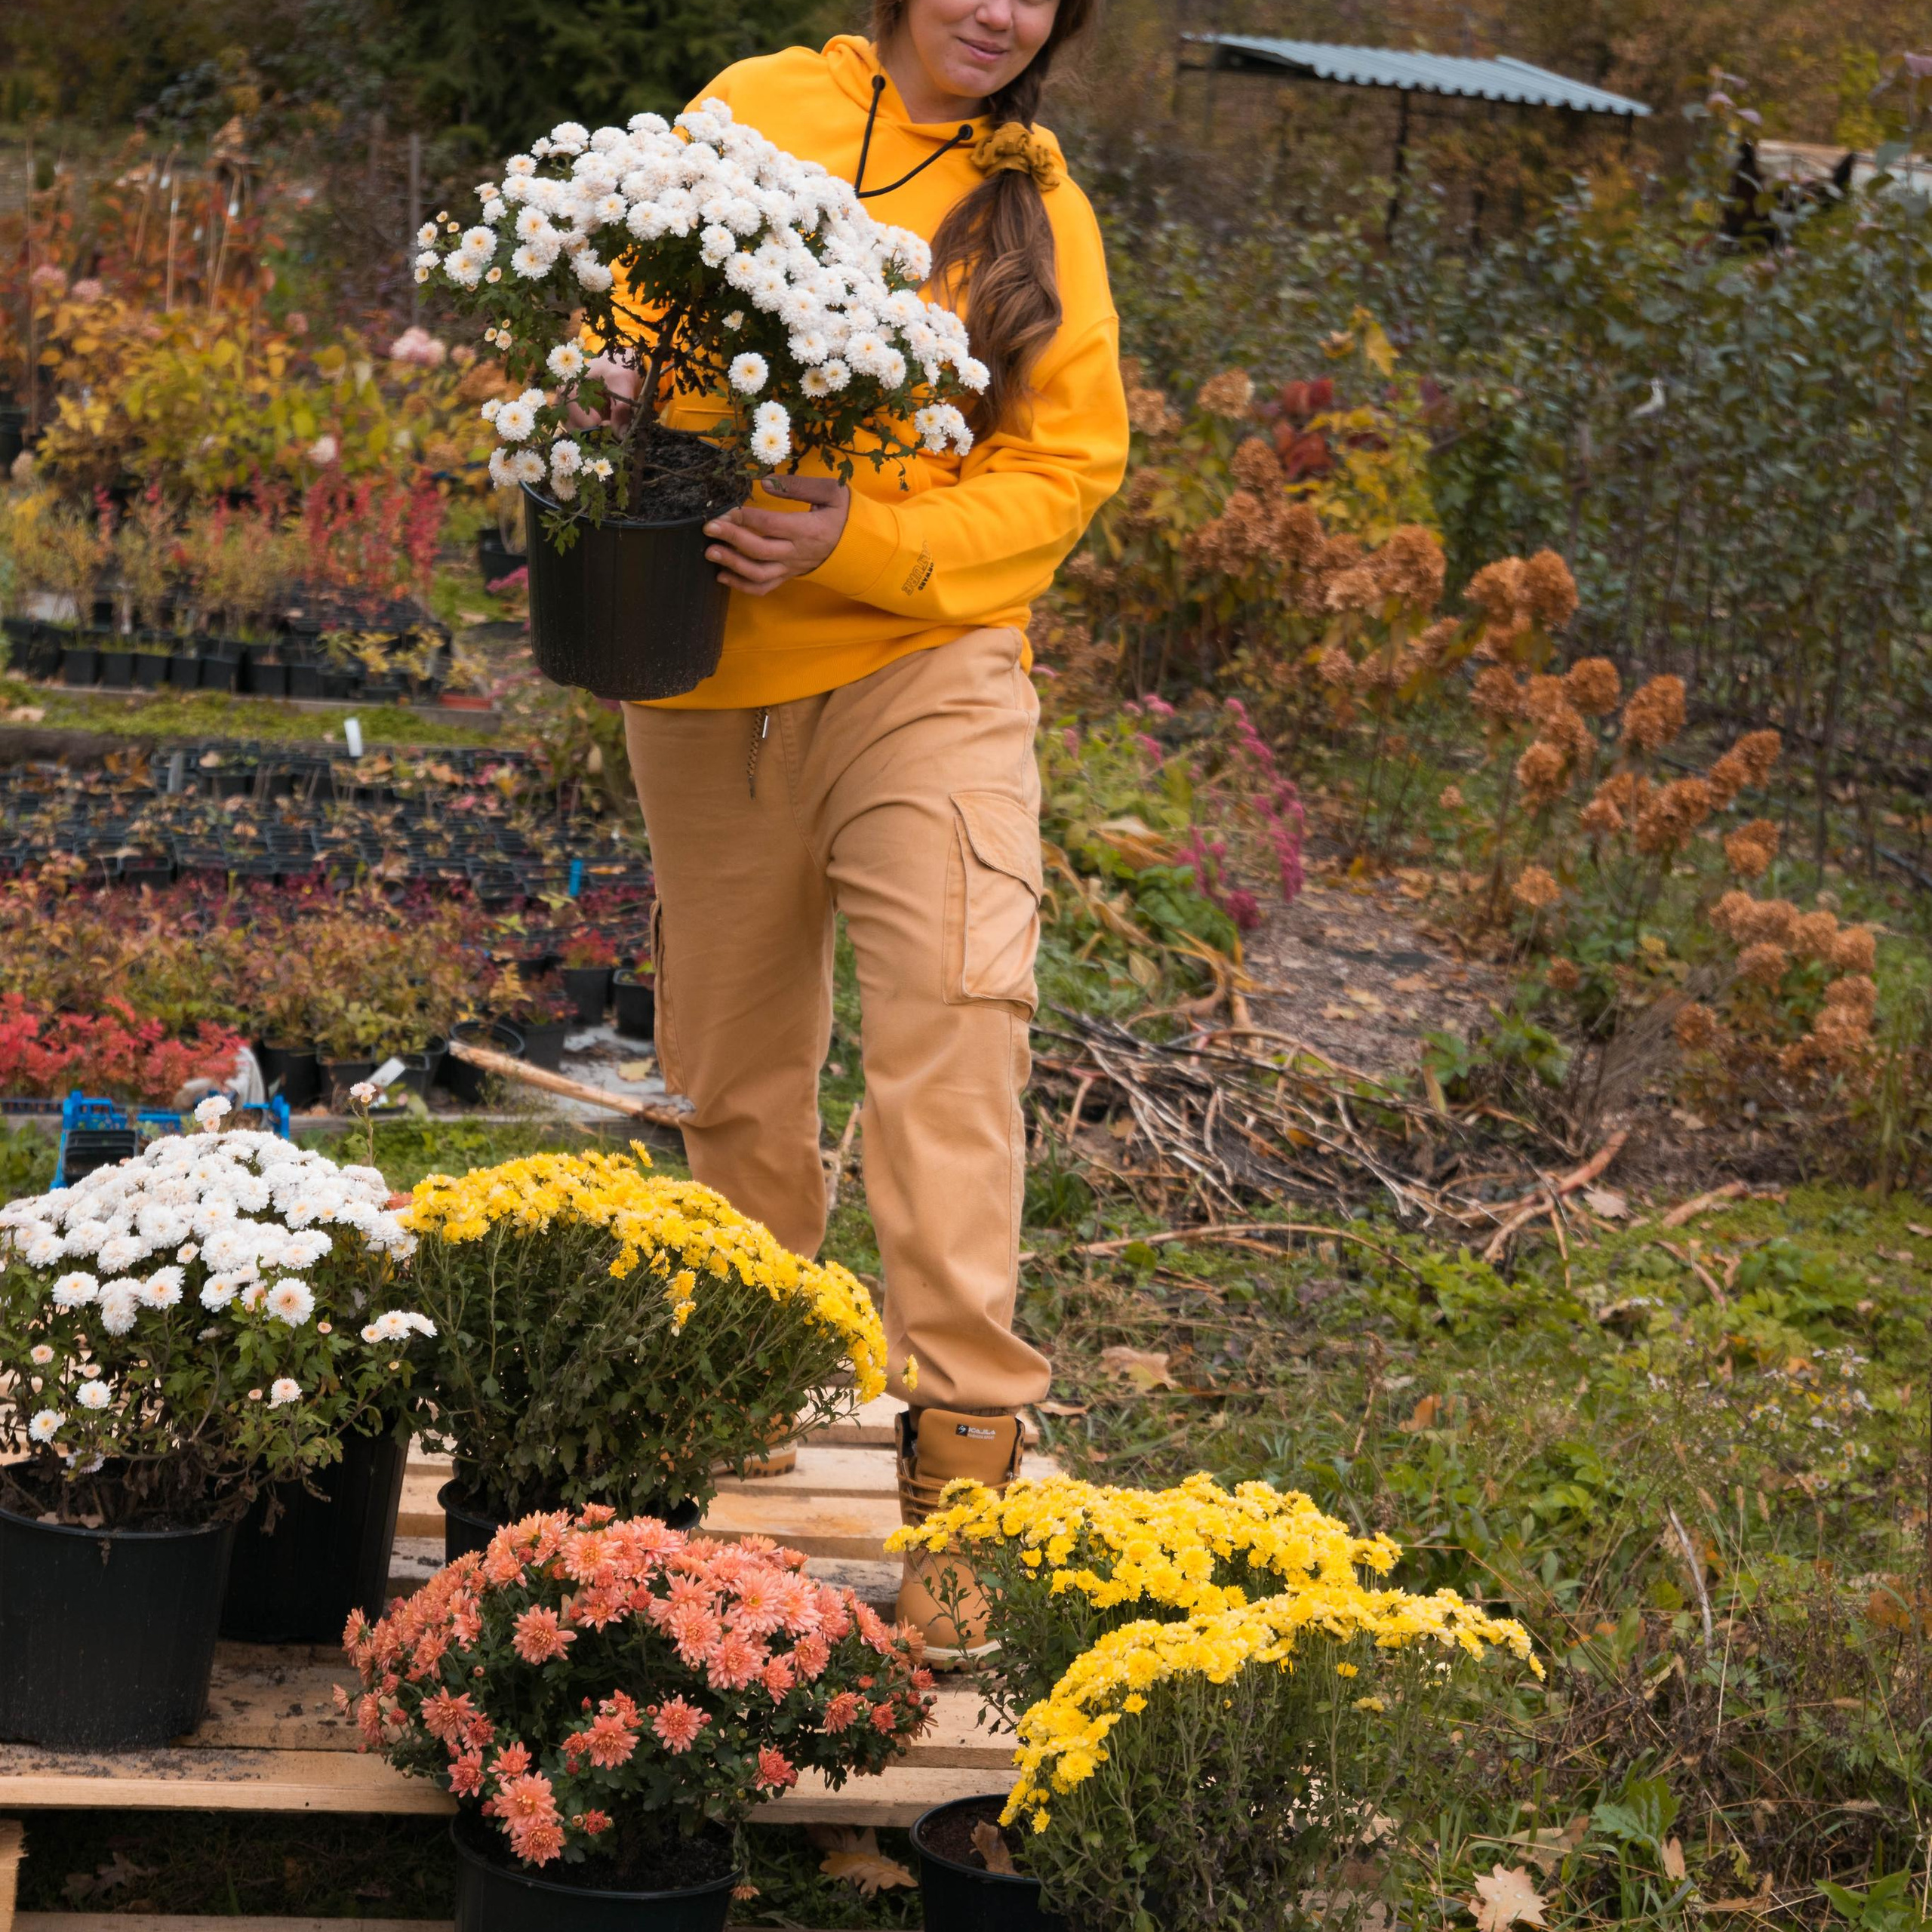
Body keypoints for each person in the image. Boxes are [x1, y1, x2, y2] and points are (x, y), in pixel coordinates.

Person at [608, 0, 1125, 1661]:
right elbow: (625, 337)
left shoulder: (1032, 204)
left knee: (952, 1025)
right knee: (737, 1067)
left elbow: (1065, 469)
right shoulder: (747, 110)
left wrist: (861, 534)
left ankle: (960, 1470)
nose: (1000, 9)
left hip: (930, 667)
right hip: (708, 684)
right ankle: (737, 1393)